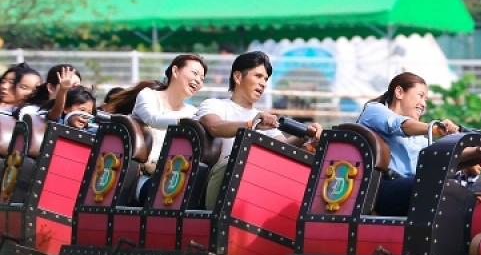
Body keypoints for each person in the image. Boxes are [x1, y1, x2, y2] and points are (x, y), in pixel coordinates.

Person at [196, 50, 322, 209]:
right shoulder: (214, 105)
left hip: (254, 189)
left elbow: (285, 146)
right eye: (258, 76)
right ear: (238, 77)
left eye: (266, 79)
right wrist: (252, 124)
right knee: (234, 161)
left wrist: (307, 135)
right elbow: (215, 127)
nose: (263, 83)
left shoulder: (263, 117)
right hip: (219, 184)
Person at [360, 72, 481, 216]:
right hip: (379, 189)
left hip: (410, 187)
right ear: (399, 92)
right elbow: (401, 126)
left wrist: (477, 152)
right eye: (420, 96)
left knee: (463, 190)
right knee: (431, 184)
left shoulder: (419, 139)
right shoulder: (374, 110)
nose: (424, 104)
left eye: (425, 99)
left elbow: (440, 157)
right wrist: (436, 129)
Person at [104, 54, 207, 175]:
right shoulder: (148, 95)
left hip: (174, 175)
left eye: (202, 78)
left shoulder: (193, 112)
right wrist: (183, 121)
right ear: (175, 71)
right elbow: (152, 119)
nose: (198, 80)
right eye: (194, 73)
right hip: (140, 175)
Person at [17, 64, 81, 121]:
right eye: (68, 86)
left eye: (77, 87)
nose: (74, 92)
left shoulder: (79, 116)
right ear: (51, 88)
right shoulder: (31, 111)